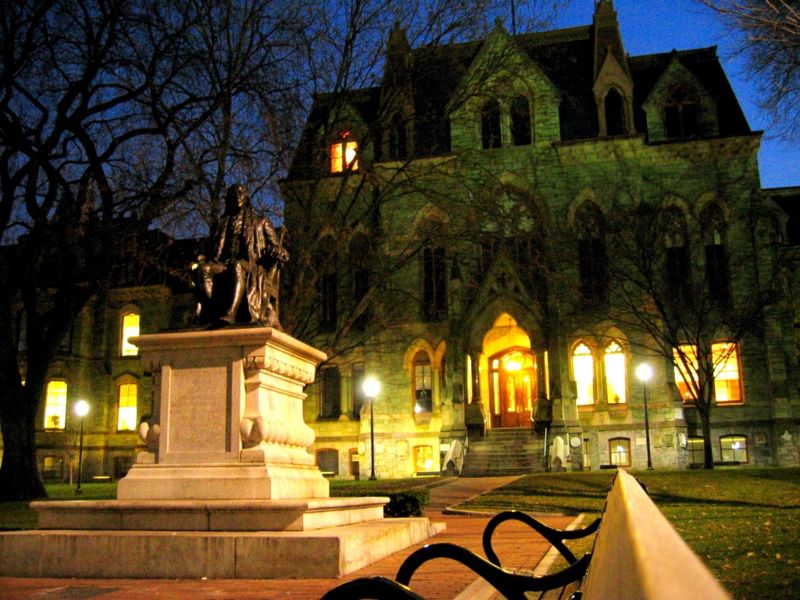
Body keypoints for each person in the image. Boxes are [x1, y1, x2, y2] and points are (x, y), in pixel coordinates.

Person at [194, 184, 288, 327]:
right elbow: (210, 249)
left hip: (250, 264)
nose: (237, 196)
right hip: (222, 263)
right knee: (203, 270)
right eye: (233, 194)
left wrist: (276, 251)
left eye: (240, 193)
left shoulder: (260, 222)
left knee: (236, 266)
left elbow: (281, 251)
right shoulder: (221, 223)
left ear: (246, 198)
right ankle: (215, 311)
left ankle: (231, 313)